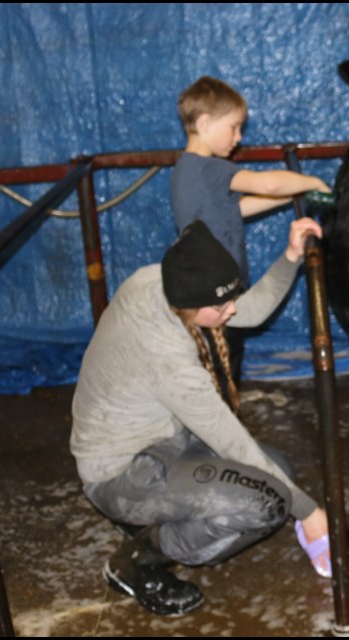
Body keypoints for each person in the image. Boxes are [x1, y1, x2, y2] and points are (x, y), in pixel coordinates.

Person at [70, 218, 330, 616]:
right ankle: (138, 562)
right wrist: (310, 513)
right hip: (118, 472)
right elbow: (229, 439)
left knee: (279, 472)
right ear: (191, 305)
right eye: (221, 306)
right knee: (269, 505)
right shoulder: (166, 357)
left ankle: (154, 521)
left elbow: (249, 311)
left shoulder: (158, 281)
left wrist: (291, 256)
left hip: (166, 441)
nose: (231, 311)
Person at [170, 75, 332, 384]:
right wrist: (313, 182)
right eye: (233, 127)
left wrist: (293, 195)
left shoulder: (184, 171)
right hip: (215, 292)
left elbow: (236, 209)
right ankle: (222, 425)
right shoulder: (211, 168)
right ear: (204, 123)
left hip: (201, 290)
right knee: (224, 370)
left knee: (213, 369)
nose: (239, 137)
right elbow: (266, 183)